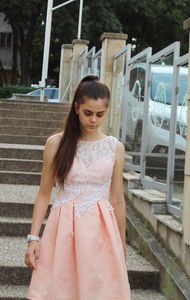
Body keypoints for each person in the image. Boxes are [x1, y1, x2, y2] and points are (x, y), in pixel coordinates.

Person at [24, 75, 131, 300]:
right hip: (63, 228)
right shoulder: (56, 143)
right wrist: (33, 238)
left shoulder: (115, 147)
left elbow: (117, 199)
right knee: (62, 290)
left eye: (100, 114)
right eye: (88, 113)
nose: (94, 120)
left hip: (101, 230)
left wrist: (121, 243)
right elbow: (44, 194)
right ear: (76, 108)